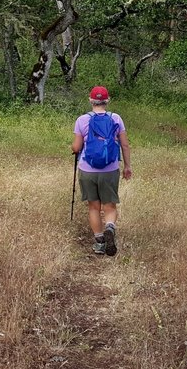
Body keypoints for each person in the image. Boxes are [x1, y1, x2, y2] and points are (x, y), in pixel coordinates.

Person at [72, 85, 132, 256]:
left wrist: (74, 147)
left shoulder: (82, 120)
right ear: (107, 100)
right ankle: (110, 227)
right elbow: (125, 145)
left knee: (93, 206)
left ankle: (99, 242)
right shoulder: (116, 118)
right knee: (110, 206)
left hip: (87, 169)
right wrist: (127, 166)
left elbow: (76, 147)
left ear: (91, 100)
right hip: (110, 168)